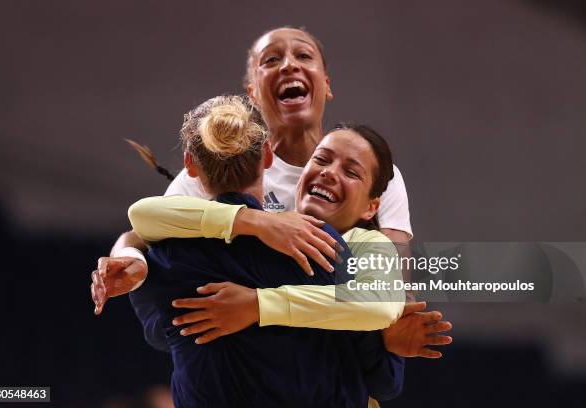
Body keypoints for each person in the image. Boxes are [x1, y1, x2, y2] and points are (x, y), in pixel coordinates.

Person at [92, 27, 413, 311]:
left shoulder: (381, 174)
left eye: (303, 55)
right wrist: (257, 222)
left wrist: (396, 327)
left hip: (327, 359)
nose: (289, 64)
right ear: (252, 94)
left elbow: (390, 288)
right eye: (271, 60)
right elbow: (140, 234)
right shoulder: (221, 164)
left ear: (326, 84)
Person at [130, 94, 405, 407]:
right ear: (269, 156)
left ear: (190, 164)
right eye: (321, 159)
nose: (329, 173)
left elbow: (157, 330)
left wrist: (257, 305)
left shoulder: (166, 255)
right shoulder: (325, 252)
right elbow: (384, 379)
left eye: (352, 172)